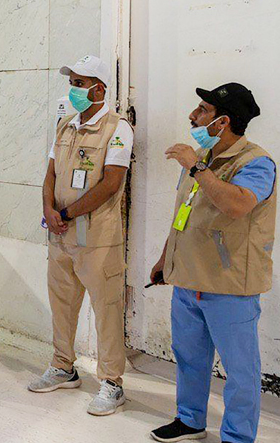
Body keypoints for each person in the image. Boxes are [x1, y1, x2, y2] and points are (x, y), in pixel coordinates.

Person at [149, 83, 274, 443]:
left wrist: (196, 168)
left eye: (202, 110)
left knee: (240, 369)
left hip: (229, 284)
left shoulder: (256, 162)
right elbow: (184, 215)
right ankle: (190, 420)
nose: (193, 116)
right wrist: (164, 259)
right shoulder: (202, 158)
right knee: (189, 357)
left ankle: (237, 436)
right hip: (188, 277)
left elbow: (237, 205)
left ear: (223, 121)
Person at [30, 54, 134, 416]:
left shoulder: (117, 128)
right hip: (59, 234)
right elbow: (50, 174)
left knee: (106, 308)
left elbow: (111, 183)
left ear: (99, 88)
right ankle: (63, 366)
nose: (72, 89)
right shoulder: (65, 126)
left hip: (97, 238)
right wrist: (48, 209)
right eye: (71, 82)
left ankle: (111, 382)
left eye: (78, 83)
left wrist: (66, 213)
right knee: (61, 303)